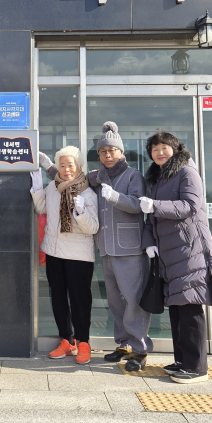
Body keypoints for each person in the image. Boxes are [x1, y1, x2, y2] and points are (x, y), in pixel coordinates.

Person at [40, 121, 153, 372]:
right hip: (106, 248)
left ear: (121, 152)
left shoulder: (133, 175)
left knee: (133, 299)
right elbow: (69, 176)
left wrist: (115, 197)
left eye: (112, 150)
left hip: (129, 247)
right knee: (116, 301)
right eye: (103, 151)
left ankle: (140, 349)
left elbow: (138, 205)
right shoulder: (97, 177)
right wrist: (48, 167)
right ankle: (124, 344)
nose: (107, 155)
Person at [140, 130, 212, 384]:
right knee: (177, 308)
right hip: (170, 253)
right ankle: (182, 361)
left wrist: (155, 205)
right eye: (154, 149)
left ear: (175, 148)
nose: (159, 152)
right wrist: (149, 243)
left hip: (190, 249)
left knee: (190, 306)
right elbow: (151, 218)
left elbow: (190, 206)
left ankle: (196, 367)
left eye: (164, 147)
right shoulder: (159, 179)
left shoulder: (187, 172)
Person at [31, 145, 99, 364]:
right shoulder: (53, 187)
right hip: (54, 251)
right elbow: (41, 208)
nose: (66, 169)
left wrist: (81, 212)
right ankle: (67, 340)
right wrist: (36, 186)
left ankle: (83, 342)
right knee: (58, 298)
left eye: (70, 165)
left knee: (80, 300)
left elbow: (93, 227)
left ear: (79, 166)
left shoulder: (87, 192)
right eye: (62, 165)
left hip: (79, 255)